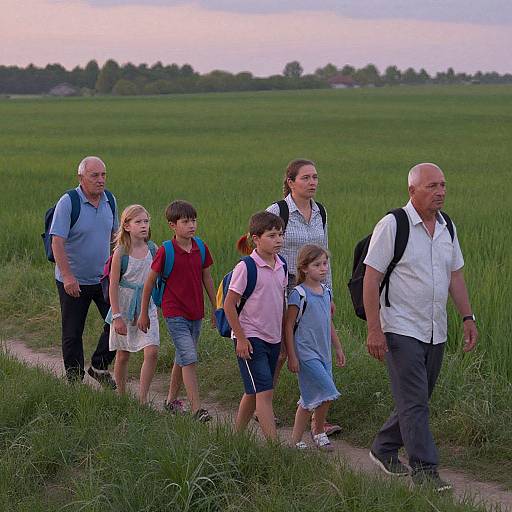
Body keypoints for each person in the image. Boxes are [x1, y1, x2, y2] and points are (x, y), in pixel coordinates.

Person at [363, 163, 478, 492]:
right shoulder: (393, 225)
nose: (440, 191)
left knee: (417, 398)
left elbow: (455, 275)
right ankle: (425, 471)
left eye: (442, 185)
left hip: (434, 329)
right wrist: (375, 329)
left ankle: (384, 448)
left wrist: (467, 318)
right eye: (431, 186)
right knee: (415, 402)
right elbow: (372, 279)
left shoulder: (447, 227)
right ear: (412, 191)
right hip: (400, 327)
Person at [266, 158, 340, 436]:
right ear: (290, 182)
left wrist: (328, 292)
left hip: (313, 295)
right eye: (306, 178)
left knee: (316, 351)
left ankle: (317, 420)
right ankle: (264, 407)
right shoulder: (279, 210)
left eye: (315, 177)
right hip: (282, 293)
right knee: (281, 353)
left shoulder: (320, 211)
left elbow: (324, 252)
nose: (312, 183)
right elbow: (262, 244)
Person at [138, 200, 216, 422]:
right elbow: (150, 282)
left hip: (196, 311)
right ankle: (196, 409)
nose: (191, 225)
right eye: (185, 221)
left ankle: (171, 401)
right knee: (189, 357)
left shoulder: (200, 247)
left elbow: (207, 277)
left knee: (182, 357)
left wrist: (215, 307)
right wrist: (144, 313)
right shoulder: (166, 250)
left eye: (193, 220)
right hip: (174, 313)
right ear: (173, 225)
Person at [50, 156, 118, 386]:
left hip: (103, 280)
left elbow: (115, 239)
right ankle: (74, 382)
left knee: (119, 321)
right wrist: (68, 277)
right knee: (72, 333)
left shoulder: (110, 200)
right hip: (73, 281)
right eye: (94, 175)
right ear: (81, 178)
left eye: (103, 175)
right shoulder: (69, 202)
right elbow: (57, 242)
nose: (101, 180)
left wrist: (120, 271)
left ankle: (99, 364)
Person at [224, 211, 288, 441]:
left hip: (273, 337)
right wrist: (241, 339)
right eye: (272, 235)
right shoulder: (246, 267)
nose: (278, 240)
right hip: (250, 338)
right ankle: (274, 448)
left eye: (280, 234)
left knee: (253, 391)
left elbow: (280, 304)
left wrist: (284, 342)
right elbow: (229, 304)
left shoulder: (282, 265)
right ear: (256, 238)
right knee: (265, 391)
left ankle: (236, 438)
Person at [285, 245, 345, 450]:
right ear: (304, 268)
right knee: (328, 392)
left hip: (324, 354)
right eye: (317, 264)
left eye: (325, 263)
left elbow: (328, 323)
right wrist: (292, 356)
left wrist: (337, 348)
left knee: (309, 399)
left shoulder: (326, 292)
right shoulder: (298, 295)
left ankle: (296, 440)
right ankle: (318, 431)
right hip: (305, 353)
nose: (323, 268)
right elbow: (288, 327)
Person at [107, 204, 159, 404]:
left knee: (152, 350)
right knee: (123, 354)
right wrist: (117, 317)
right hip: (125, 305)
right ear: (127, 226)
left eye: (146, 221)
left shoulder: (153, 249)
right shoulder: (121, 252)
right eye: (138, 222)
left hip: (147, 305)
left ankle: (142, 399)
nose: (144, 225)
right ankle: (121, 395)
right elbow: (113, 286)